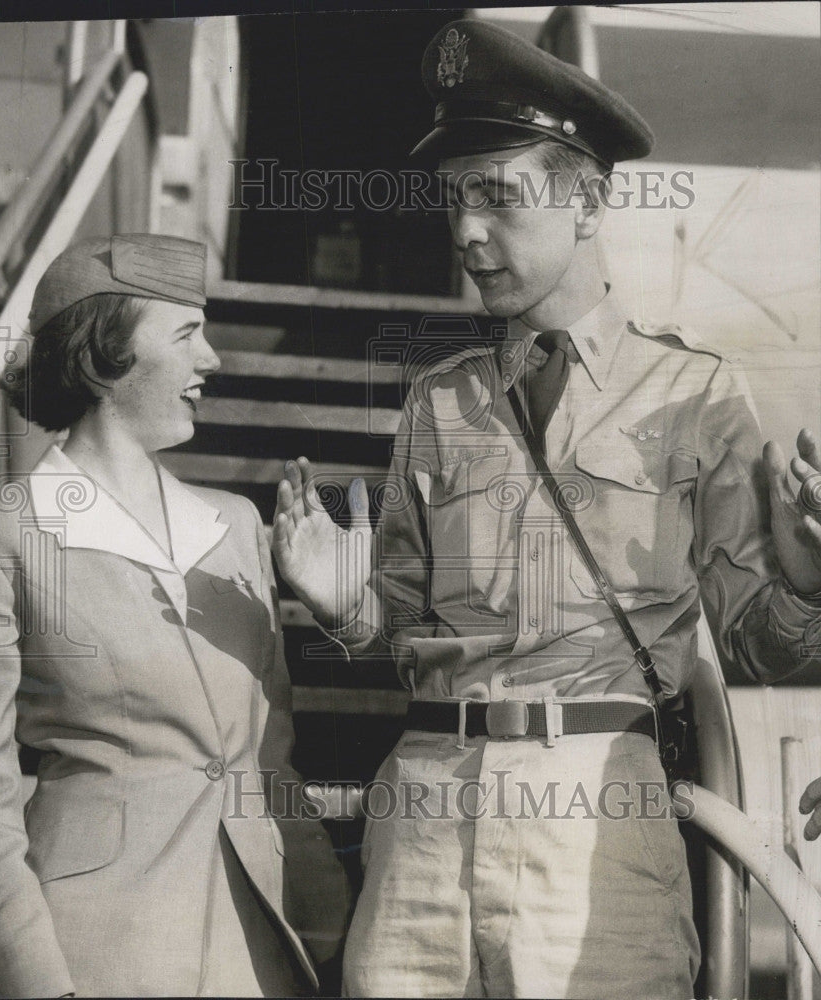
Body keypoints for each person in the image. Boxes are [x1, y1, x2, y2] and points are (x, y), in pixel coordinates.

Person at [271, 19, 821, 1000]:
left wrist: (808, 579)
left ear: (586, 200)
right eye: (450, 201)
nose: (463, 232)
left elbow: (757, 647)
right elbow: (398, 617)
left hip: (594, 829)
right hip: (423, 821)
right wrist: (344, 604)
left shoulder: (690, 395)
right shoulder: (436, 401)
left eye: (493, 196)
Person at [0, 234, 349, 998]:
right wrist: (35, 978)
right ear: (103, 352)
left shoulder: (237, 523)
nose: (211, 358)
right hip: (97, 950)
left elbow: (271, 757)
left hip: (263, 945)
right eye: (186, 334)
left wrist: (327, 921)